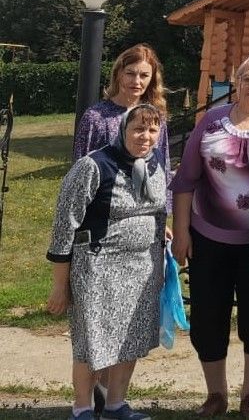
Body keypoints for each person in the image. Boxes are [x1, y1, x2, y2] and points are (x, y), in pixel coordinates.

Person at [171, 54, 249, 419]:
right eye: (247, 78)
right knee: (209, 318)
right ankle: (216, 394)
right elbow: (185, 180)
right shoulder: (211, 121)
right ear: (235, 82)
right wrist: (181, 232)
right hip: (209, 239)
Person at [47, 103, 168, 420]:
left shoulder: (156, 166)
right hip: (98, 267)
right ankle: (82, 408)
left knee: (131, 336)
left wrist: (161, 259)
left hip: (141, 268)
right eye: (138, 129)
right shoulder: (93, 166)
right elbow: (64, 226)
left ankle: (115, 404)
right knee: (91, 339)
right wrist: (60, 287)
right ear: (122, 130)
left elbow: (158, 213)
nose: (145, 136)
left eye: (152, 129)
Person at [73, 43, 171, 187]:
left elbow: (163, 163)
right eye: (130, 73)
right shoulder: (96, 117)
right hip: (105, 202)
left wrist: (165, 203)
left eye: (144, 75)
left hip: (146, 203)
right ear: (119, 74)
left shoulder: (155, 116)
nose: (136, 81)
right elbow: (79, 169)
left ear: (152, 79)